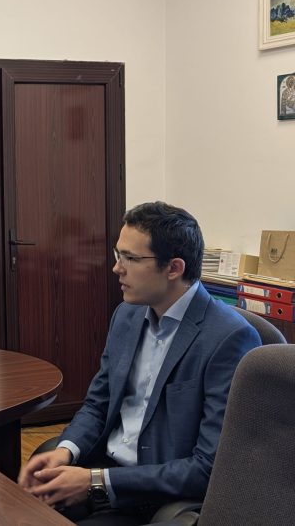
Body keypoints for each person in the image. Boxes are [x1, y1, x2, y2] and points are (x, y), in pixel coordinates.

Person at [18, 202, 262, 525]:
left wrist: (95, 482)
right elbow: (98, 404)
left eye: (130, 259)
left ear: (173, 268)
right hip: (103, 470)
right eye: (118, 255)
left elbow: (207, 467)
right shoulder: (127, 314)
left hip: (151, 497)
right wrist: (66, 451)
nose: (116, 268)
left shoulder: (229, 339)